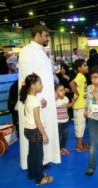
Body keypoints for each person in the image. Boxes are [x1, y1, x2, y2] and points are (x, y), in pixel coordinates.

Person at [18, 24, 60, 170]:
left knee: (43, 129)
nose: (48, 38)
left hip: (44, 98)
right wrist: (36, 97)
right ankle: (34, 166)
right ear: (37, 34)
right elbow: (28, 78)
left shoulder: (40, 51)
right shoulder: (27, 51)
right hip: (36, 100)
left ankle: (43, 160)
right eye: (46, 35)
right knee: (35, 133)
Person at [19, 73, 53, 185]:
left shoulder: (29, 98)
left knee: (32, 153)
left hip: (28, 130)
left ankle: (32, 173)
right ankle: (40, 179)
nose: (41, 85)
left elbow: (28, 112)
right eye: (40, 83)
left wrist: (40, 105)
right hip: (35, 131)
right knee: (38, 156)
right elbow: (37, 120)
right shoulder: (34, 100)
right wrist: (43, 134)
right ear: (32, 85)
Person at [70, 59, 89, 152]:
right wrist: (77, 94)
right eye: (84, 65)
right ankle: (79, 146)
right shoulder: (80, 76)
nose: (87, 67)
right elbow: (72, 84)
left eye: (86, 65)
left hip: (81, 104)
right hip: (79, 105)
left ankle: (80, 143)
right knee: (80, 125)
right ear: (79, 68)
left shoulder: (82, 76)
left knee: (81, 125)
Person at [55, 84, 77, 155]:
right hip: (59, 122)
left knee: (65, 135)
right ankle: (59, 149)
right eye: (60, 90)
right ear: (56, 92)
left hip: (66, 120)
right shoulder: (55, 101)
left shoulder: (66, 98)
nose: (63, 91)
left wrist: (73, 101)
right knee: (59, 136)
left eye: (63, 90)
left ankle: (63, 147)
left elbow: (68, 106)